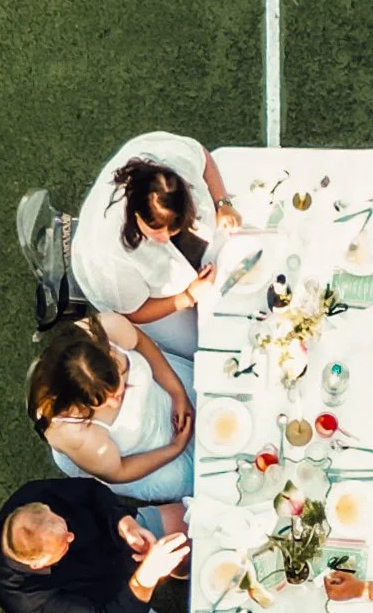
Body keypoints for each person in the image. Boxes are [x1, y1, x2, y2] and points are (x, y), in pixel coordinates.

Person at [0, 479, 189, 613]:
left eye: (65, 526)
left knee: (192, 519)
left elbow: (91, 491)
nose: (71, 536)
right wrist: (146, 577)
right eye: (63, 542)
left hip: (114, 538)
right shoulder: (29, 602)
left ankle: (180, 568)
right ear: (38, 564)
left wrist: (124, 523)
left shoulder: (34, 495)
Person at [70, 131, 234, 355]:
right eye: (157, 231)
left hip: (185, 274)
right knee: (202, 344)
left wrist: (223, 203)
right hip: (142, 302)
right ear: (135, 213)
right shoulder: (109, 256)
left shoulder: (173, 159)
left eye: (173, 230)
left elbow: (203, 157)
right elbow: (135, 311)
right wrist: (187, 297)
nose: (165, 238)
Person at [28, 311, 194, 501]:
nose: (116, 403)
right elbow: (119, 472)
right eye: (103, 402)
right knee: (195, 477)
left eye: (118, 392)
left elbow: (141, 342)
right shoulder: (72, 433)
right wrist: (174, 448)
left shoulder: (108, 328)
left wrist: (177, 393)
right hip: (133, 459)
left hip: (159, 391)